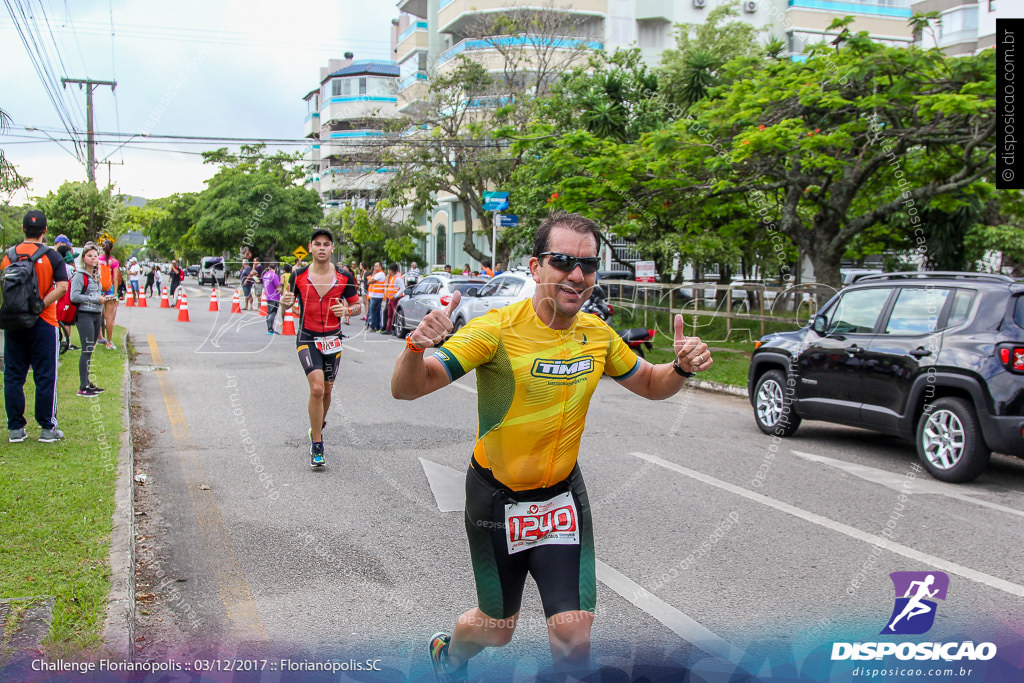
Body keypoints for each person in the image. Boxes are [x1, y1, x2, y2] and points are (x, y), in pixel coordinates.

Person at [392, 212, 713, 680]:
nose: (577, 275)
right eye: (562, 261)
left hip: (562, 499)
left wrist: (681, 368)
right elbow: (409, 389)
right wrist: (415, 348)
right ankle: (450, 654)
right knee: (497, 629)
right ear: (535, 266)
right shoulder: (496, 330)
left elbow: (649, 383)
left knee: (573, 635)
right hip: (496, 500)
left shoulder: (597, 335)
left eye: (588, 264)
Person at [279, 229, 361, 467]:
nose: (322, 248)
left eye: (326, 244)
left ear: (332, 249)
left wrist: (346, 311)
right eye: (317, 244)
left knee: (327, 391)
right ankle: (317, 443)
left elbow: (357, 307)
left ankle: (318, 424)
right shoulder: (298, 275)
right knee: (316, 388)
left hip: (333, 339)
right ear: (311, 247)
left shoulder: (345, 276)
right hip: (307, 337)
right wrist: (284, 304)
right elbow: (287, 304)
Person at [2, 210, 70, 443]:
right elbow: (62, 286)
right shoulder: (52, 256)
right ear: (45, 230)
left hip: (14, 322)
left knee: (13, 375)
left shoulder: (9, 256)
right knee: (45, 376)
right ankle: (47, 427)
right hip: (44, 322)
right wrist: (40, 305)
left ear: (22, 229)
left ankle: (15, 428)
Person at [70, 242, 113, 397]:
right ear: (83, 258)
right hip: (85, 314)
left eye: (95, 256)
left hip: (96, 315)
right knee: (86, 349)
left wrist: (103, 298)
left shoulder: (96, 276)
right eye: (89, 256)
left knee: (90, 349)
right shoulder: (80, 275)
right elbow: (74, 296)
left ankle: (87, 382)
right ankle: (83, 386)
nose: (93, 259)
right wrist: (96, 299)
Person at [54, 239, 77, 354]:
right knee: (66, 321)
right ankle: (66, 343)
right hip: (66, 297)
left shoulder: (59, 266)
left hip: (59, 297)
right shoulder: (70, 268)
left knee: (61, 320)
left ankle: (62, 342)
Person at [97, 240, 120, 350]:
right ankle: (109, 342)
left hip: (98, 289)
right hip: (109, 290)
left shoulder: (97, 259)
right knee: (109, 317)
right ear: (111, 249)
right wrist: (115, 293)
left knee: (97, 314)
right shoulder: (114, 261)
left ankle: (98, 338)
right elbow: (115, 278)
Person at [383, 263, 405, 335]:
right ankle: (389, 329)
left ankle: (394, 329)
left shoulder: (398, 278)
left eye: (389, 270)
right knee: (390, 314)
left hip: (396, 299)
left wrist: (395, 296)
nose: (388, 272)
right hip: (391, 299)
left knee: (395, 314)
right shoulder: (393, 277)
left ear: (392, 270)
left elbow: (402, 288)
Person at [262, 263, 282, 335]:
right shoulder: (274, 276)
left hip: (268, 296)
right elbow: (278, 287)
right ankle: (270, 329)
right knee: (273, 313)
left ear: (268, 267)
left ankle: (269, 328)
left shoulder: (265, 275)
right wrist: (283, 292)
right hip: (274, 297)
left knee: (269, 312)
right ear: (276, 268)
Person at [366, 262, 386, 332]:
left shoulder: (380, 274)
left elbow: (369, 281)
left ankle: (372, 326)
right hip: (374, 295)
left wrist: (371, 279)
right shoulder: (377, 274)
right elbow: (369, 281)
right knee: (375, 311)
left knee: (373, 311)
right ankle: (376, 326)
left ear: (380, 267)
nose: (375, 268)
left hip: (377, 296)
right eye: (374, 266)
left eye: (376, 266)